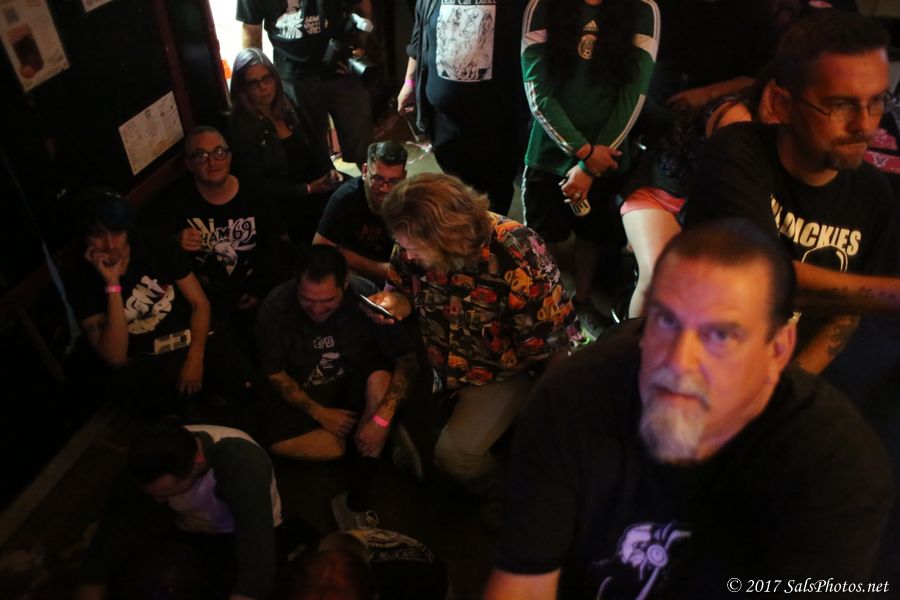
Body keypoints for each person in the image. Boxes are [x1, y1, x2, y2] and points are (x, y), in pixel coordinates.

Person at [484, 219, 892, 600]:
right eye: (666, 322)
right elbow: (524, 582)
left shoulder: (838, 468)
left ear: (778, 350)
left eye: (720, 334)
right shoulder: (572, 399)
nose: (679, 361)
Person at [684, 10, 899, 375]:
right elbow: (765, 277)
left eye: (876, 101)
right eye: (840, 105)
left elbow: (845, 315)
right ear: (782, 104)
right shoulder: (738, 152)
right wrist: (888, 294)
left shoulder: (874, 193)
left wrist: (788, 385)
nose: (864, 125)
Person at [363, 173, 578, 527]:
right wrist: (395, 303)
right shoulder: (411, 239)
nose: (407, 255)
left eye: (414, 248)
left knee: (455, 457)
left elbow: (554, 345)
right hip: (441, 360)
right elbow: (399, 285)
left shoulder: (518, 253)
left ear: (445, 235)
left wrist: (544, 418)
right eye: (402, 246)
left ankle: (500, 491)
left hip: (503, 372)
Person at [520, 0, 659, 340]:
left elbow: (634, 95)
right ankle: (541, 304)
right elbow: (537, 91)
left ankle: (581, 301)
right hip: (549, 153)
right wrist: (583, 152)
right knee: (540, 239)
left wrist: (592, 164)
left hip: (608, 153)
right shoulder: (542, 6)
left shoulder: (643, 9)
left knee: (593, 234)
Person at [255, 244, 417, 528]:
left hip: (356, 384)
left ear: (344, 285)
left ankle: (357, 500)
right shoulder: (276, 308)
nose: (317, 309)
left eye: (328, 300)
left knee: (380, 382)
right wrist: (322, 414)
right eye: (308, 300)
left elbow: (407, 359)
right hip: (307, 391)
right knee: (313, 446)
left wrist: (382, 418)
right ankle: (379, 439)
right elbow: (275, 374)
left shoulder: (366, 297)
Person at [68, 189, 257, 415]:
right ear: (86, 237)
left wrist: (195, 358)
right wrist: (113, 285)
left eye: (117, 231)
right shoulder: (80, 276)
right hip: (147, 363)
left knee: (246, 389)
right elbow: (116, 357)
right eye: (99, 235)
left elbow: (199, 304)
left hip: (191, 339)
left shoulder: (153, 243)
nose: (110, 244)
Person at [620, 73, 777, 318]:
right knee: (660, 274)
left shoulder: (783, 133)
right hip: (657, 196)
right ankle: (632, 342)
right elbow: (724, 190)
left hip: (698, 210)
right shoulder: (738, 118)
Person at [76, 421, 284, 600]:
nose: (158, 500)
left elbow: (257, 565)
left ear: (197, 464)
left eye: (168, 493)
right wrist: (94, 578)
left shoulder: (242, 465)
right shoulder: (149, 459)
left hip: (244, 529)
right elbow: (108, 537)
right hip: (191, 526)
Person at [397, 0, 529, 215]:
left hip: (495, 126)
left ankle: (490, 234)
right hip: (444, 123)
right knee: (456, 193)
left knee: (494, 200)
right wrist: (409, 83)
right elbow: (418, 41)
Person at [146, 125, 290, 323]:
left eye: (219, 152)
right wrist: (175, 242)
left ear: (229, 156)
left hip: (261, 295)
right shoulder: (175, 203)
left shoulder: (255, 192)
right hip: (207, 305)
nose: (212, 162)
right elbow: (155, 256)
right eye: (201, 156)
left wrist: (260, 290)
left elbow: (280, 244)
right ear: (189, 164)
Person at [237, 0, 373, 166]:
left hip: (342, 67)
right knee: (312, 152)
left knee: (364, 147)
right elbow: (251, 29)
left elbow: (363, 4)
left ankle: (374, 181)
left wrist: (359, 46)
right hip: (294, 76)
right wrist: (257, 79)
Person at [228, 47, 343, 244]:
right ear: (243, 88)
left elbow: (314, 142)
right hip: (282, 205)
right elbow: (256, 186)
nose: (263, 87)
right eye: (254, 83)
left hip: (315, 186)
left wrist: (329, 170)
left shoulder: (286, 102)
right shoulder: (241, 126)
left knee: (354, 196)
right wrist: (307, 189)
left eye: (267, 78)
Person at [313, 140, 408, 283]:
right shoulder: (344, 198)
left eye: (393, 181)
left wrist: (350, 257)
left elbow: (403, 272)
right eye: (377, 179)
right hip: (356, 279)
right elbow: (319, 253)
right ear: (364, 171)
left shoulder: (410, 199)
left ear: (403, 177)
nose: (384, 189)